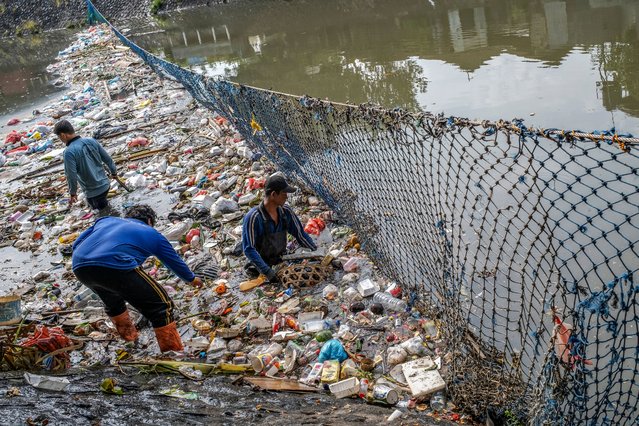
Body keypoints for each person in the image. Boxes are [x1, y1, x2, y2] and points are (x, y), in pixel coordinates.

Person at [71, 204, 202, 352]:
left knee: (114, 303)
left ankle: (131, 341)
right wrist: (192, 279)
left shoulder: (106, 220)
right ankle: (172, 354)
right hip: (114, 264)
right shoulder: (151, 233)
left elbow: (76, 244)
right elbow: (174, 262)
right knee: (161, 306)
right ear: (150, 221)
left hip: (80, 265)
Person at [242, 174, 317, 282]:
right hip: (260, 268)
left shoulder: (285, 211)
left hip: (280, 260)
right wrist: (267, 272)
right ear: (273, 195)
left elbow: (300, 234)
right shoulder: (254, 217)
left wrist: (315, 251)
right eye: (284, 193)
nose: (286, 197)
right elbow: (249, 249)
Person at [54, 119, 117, 215]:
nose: (61, 140)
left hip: (93, 191)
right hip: (105, 185)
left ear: (63, 135)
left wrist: (73, 193)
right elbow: (108, 159)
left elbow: (71, 175)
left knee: (103, 216)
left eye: (59, 137)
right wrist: (114, 172)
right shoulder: (91, 141)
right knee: (106, 208)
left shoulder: (69, 152)